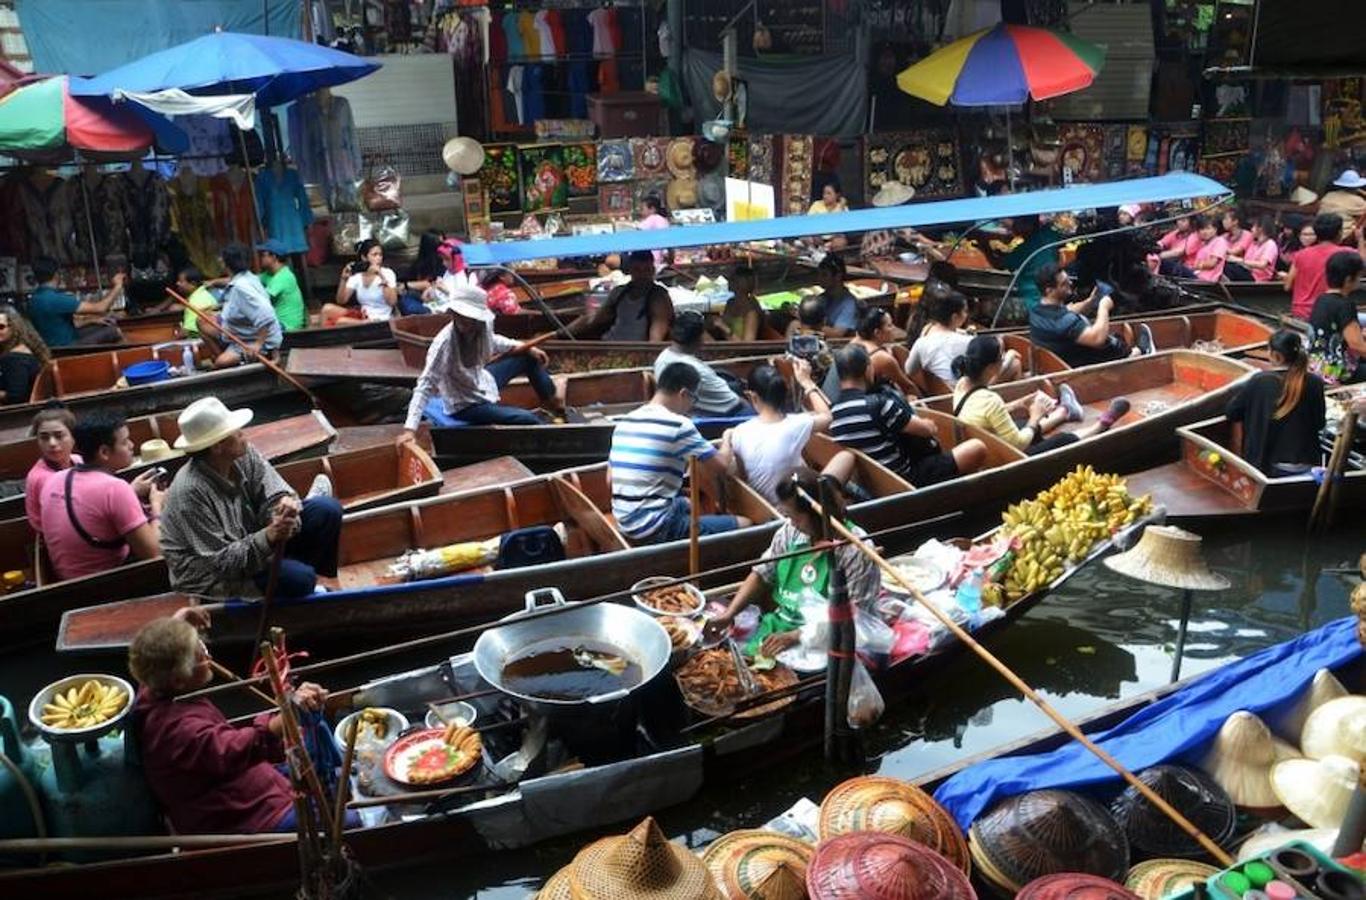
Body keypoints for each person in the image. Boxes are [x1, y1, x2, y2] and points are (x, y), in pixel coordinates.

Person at [129, 611, 344, 834]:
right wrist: (289, 716)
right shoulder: (179, 733)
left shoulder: (154, 686)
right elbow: (236, 747)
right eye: (200, 654)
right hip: (239, 813)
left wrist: (178, 625)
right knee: (349, 823)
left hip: (247, 779)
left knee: (329, 767)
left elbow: (162, 655)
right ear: (178, 680)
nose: (207, 656)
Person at [159, 396, 342, 600]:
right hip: (214, 577)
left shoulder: (243, 454)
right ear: (217, 447)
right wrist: (270, 534)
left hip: (252, 544)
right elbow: (222, 563)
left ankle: (297, 578)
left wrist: (282, 509)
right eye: (235, 433)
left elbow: (277, 492)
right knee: (300, 579)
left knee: (326, 510)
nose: (243, 434)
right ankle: (297, 582)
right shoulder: (190, 492)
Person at [704, 468, 880, 658]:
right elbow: (763, 572)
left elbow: (852, 617)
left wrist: (795, 636)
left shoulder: (855, 550)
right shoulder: (791, 532)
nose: (791, 522)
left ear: (817, 514)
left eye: (795, 517)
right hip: (784, 622)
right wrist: (730, 614)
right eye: (788, 516)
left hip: (832, 639)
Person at [607, 362, 749, 544]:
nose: (691, 407)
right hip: (655, 527)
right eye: (693, 400)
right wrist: (727, 438)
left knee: (687, 503)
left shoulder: (625, 422)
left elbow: (609, 481)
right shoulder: (679, 426)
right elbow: (722, 465)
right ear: (683, 394)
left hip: (624, 521)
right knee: (746, 524)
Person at [400, 282, 560, 432]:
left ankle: (553, 403)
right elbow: (425, 385)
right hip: (465, 404)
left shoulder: (483, 325)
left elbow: (494, 340)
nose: (461, 320)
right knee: (528, 418)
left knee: (528, 357)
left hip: (483, 382)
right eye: (458, 315)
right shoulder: (443, 344)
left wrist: (521, 346)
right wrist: (410, 430)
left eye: (466, 316)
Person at [829, 344, 986, 486]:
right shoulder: (879, 405)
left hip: (875, 484)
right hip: (906, 479)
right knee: (977, 447)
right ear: (868, 369)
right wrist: (916, 411)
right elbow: (928, 430)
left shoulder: (833, 413)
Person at [951, 335, 1129, 456]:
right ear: (991, 367)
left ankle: (1063, 412)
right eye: (1001, 356)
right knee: (1061, 440)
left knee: (1020, 424)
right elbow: (1019, 444)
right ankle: (1100, 426)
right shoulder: (990, 400)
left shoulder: (962, 383)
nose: (1004, 358)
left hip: (984, 443)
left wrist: (1018, 404)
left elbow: (981, 413)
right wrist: (1035, 417)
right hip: (1001, 458)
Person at [38, 411, 163, 581]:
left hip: (65, 582)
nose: (132, 446)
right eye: (125, 442)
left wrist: (130, 491)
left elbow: (93, 506)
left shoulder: (54, 479)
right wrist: (158, 506)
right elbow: (153, 555)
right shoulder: (115, 489)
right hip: (103, 587)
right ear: (104, 452)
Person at [723, 361, 854, 505]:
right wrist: (806, 382)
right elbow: (827, 417)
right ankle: (828, 500)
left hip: (767, 508)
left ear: (753, 396)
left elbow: (744, 477)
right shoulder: (796, 424)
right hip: (796, 504)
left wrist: (727, 436)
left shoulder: (740, 431)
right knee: (846, 456)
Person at [1226, 329, 1326, 475]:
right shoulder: (1315, 382)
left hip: (1267, 467)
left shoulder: (1260, 381)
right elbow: (1319, 424)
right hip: (1307, 464)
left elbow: (1231, 413)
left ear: (1275, 355)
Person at [1029, 263, 1151, 367]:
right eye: (1064, 283)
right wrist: (1104, 307)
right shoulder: (1064, 321)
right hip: (1083, 365)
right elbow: (1097, 339)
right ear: (1049, 290)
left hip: (1060, 360)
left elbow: (1068, 311)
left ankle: (1127, 347)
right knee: (1107, 341)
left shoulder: (1037, 312)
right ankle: (1139, 353)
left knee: (1112, 337)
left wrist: (1090, 302)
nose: (1070, 283)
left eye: (1068, 279)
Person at [905, 288, 1023, 390]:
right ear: (955, 317)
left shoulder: (923, 339)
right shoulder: (967, 342)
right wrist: (1010, 355)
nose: (966, 315)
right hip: (965, 396)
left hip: (941, 395)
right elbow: (991, 370)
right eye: (965, 311)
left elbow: (909, 370)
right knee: (1015, 363)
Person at [200, 243, 283, 368]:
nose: (219, 260)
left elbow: (266, 314)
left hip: (257, 340)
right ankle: (225, 353)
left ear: (227, 262)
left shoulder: (241, 287)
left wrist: (258, 344)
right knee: (202, 321)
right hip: (239, 332)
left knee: (221, 363)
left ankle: (256, 355)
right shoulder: (246, 276)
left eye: (221, 258)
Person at [652, 312, 749, 417]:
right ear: (699, 339)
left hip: (687, 413)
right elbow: (734, 403)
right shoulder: (697, 370)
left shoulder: (661, 359)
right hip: (718, 418)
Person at [568, 250, 673, 341]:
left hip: (635, 352)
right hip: (609, 343)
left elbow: (656, 338)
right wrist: (560, 333)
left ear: (653, 271)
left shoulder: (658, 297)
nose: (642, 274)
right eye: (637, 270)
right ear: (630, 271)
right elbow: (594, 319)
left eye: (647, 270)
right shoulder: (619, 292)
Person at [27, 257, 125, 348]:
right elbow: (101, 308)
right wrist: (117, 286)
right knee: (114, 331)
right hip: (68, 348)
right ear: (56, 275)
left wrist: (91, 321)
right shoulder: (57, 299)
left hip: (52, 346)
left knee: (102, 325)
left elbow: (58, 324)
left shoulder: (33, 300)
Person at [1306, 250, 1366, 385]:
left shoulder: (1321, 299)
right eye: (1358, 277)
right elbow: (1357, 345)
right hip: (1337, 371)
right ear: (1348, 280)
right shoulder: (1345, 305)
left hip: (1316, 366)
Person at [24, 406, 78, 531]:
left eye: (59, 436)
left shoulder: (78, 460)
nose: (52, 443)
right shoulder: (41, 478)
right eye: (44, 437)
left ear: (73, 437)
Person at [1286, 213, 1348, 320]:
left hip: (1300, 312)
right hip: (1326, 313)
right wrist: (1361, 239)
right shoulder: (1346, 253)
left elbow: (1287, 286)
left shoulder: (1300, 254)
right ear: (1339, 233)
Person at [323, 239, 398, 325]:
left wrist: (381, 276)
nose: (378, 258)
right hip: (363, 315)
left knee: (341, 322)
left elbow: (392, 302)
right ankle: (319, 337)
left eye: (380, 255)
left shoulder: (387, 273)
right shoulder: (357, 276)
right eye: (374, 255)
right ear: (364, 257)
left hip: (380, 319)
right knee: (326, 309)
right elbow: (341, 301)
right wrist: (343, 279)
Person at [999, 215, 1064, 315]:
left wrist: (984, 246)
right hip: (1051, 296)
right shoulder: (1049, 234)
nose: (1014, 226)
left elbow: (1000, 264)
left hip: (1032, 300)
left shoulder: (1024, 249)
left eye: (1017, 223)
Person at [851, 307, 919, 398]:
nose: (894, 328)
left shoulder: (854, 341)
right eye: (890, 325)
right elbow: (908, 387)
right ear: (877, 333)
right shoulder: (882, 358)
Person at [0, 304, 49, 405]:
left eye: (1, 327)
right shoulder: (25, 348)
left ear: (14, 327)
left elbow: (15, 396)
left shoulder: (13, 358)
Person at [256, 239, 306, 332]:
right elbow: (247, 280)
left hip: (287, 326)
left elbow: (260, 299)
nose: (261, 258)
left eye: (263, 255)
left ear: (274, 257)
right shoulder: (269, 274)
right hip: (277, 322)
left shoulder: (284, 276)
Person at [399, 229, 447, 312]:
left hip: (438, 299)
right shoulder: (419, 264)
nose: (442, 248)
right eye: (439, 244)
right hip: (420, 298)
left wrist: (406, 285)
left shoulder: (443, 263)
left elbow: (431, 284)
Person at [712, 265, 762, 342]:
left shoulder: (751, 313)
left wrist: (724, 327)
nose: (728, 281)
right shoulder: (731, 303)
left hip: (739, 351)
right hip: (725, 345)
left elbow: (748, 346)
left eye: (733, 279)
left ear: (742, 283)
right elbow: (723, 323)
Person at [815, 255, 860, 337]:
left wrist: (810, 325)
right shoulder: (821, 298)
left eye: (824, 275)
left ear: (838, 276)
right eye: (819, 274)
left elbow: (837, 333)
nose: (819, 278)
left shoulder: (849, 303)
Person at [1226, 215, 1279, 283]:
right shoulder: (1254, 244)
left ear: (1260, 229)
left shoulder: (1270, 244)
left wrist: (1239, 260)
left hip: (1257, 279)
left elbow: (1262, 264)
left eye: (1253, 227)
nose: (1251, 229)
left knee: (1229, 268)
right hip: (1248, 272)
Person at [1318, 169, 1366, 234]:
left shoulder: (1329, 195)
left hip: (1321, 231)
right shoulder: (1357, 201)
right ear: (1356, 187)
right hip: (1343, 234)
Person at [174, 267, 218, 337]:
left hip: (202, 341)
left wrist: (178, 334)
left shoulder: (194, 302)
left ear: (192, 284)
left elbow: (188, 332)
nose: (177, 283)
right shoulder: (205, 294)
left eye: (181, 281)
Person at [1191, 216, 1228, 282]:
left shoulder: (1219, 241)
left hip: (1207, 279)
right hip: (1196, 275)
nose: (1205, 232)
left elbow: (1212, 263)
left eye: (1208, 228)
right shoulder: (1202, 244)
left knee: (1169, 266)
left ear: (1215, 229)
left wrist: (1197, 265)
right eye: (1202, 229)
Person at [638, 195, 670, 268]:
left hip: (647, 258)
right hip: (657, 259)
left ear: (652, 209)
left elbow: (638, 232)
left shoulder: (652, 218)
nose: (640, 212)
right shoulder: (664, 220)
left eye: (642, 209)